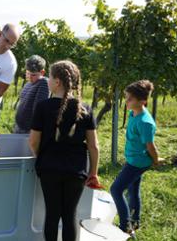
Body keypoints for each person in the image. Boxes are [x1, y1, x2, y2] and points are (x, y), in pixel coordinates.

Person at [28, 60, 101, 241]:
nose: (48, 81)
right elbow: (94, 146)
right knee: (70, 216)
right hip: (75, 171)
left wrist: (41, 156)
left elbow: (33, 141)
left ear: (58, 81)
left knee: (52, 215)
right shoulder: (85, 109)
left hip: (49, 169)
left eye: (50, 78)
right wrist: (93, 172)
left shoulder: (43, 107)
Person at [110, 80, 161, 236]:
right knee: (133, 189)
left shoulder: (145, 122)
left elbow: (150, 146)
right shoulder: (133, 113)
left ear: (142, 101)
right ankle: (135, 221)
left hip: (138, 163)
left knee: (116, 190)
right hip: (133, 159)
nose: (126, 101)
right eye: (126, 97)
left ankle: (125, 226)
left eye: (130, 99)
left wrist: (156, 160)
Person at [14, 55, 49, 133]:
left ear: (42, 72)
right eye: (27, 73)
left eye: (33, 75)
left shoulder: (43, 83)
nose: (29, 77)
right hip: (19, 126)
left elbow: (38, 109)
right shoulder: (28, 84)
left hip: (29, 129)